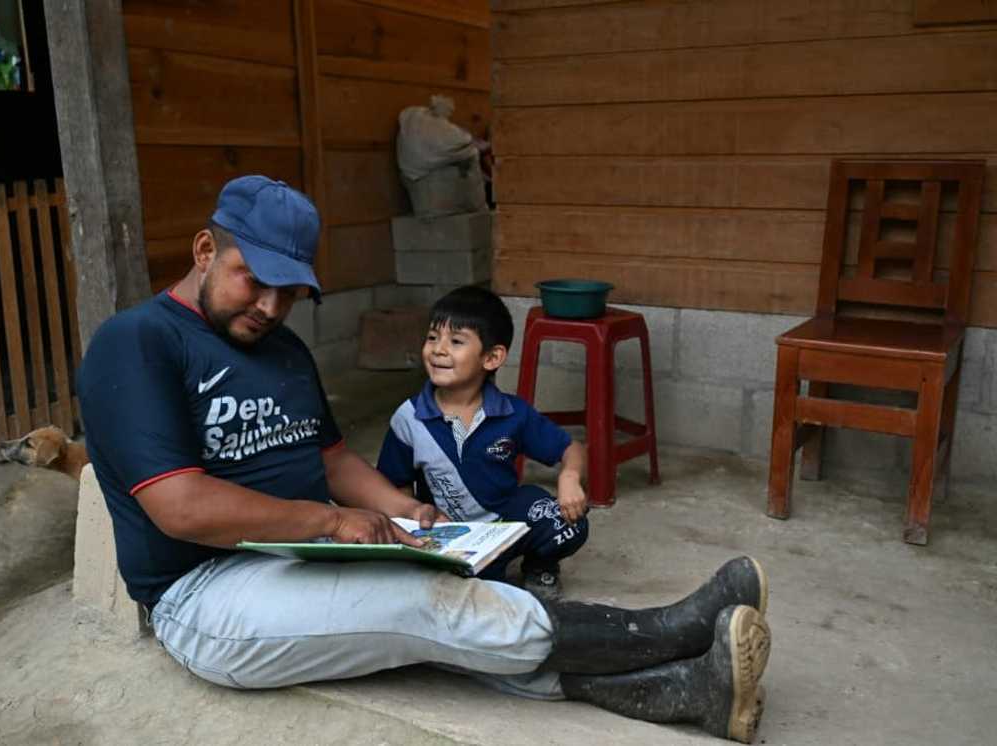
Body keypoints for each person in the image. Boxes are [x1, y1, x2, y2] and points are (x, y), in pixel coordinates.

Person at [77, 175, 773, 743]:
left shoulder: (281, 350)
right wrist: (330, 523)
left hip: (295, 555)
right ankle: (663, 632)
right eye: (251, 279)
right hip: (205, 593)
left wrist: (403, 509)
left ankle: (687, 693)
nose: (269, 305)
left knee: (447, 613)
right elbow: (181, 507)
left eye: (288, 292)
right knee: (423, 605)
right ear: (204, 249)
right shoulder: (137, 344)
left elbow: (332, 458)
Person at [376, 286, 589, 599]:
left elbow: (571, 448)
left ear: (492, 357)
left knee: (570, 525)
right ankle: (481, 570)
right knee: (460, 589)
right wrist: (412, 525)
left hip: (504, 525)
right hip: (446, 534)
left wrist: (569, 477)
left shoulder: (512, 413)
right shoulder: (410, 418)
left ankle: (539, 564)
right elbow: (394, 484)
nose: (438, 350)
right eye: (433, 337)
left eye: (456, 341)